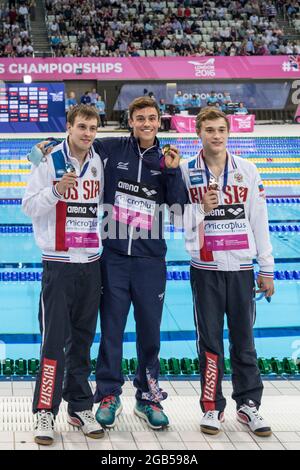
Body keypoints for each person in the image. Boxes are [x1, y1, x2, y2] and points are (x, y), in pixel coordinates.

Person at [26, 96, 188, 431]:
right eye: (140, 118)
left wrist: (172, 173)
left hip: (136, 259)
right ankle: (85, 400)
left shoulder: (164, 158)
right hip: (99, 259)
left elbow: (179, 212)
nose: (146, 124)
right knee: (94, 334)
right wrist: (44, 155)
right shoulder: (110, 150)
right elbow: (69, 149)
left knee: (127, 336)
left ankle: (132, 398)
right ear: (130, 121)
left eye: (152, 118)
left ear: (160, 121)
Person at [180, 107, 274, 437]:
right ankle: (211, 406)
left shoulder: (246, 170)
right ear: (198, 134)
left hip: (241, 269)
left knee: (244, 339)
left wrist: (268, 268)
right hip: (205, 269)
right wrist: (199, 209)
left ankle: (249, 405)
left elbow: (258, 220)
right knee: (210, 341)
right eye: (209, 130)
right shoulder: (185, 171)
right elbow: (178, 221)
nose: (216, 135)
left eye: (221, 129)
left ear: (229, 133)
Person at [22, 105, 105, 445]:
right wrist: (57, 191)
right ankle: (45, 410)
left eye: (93, 128)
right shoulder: (48, 160)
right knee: (54, 342)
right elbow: (28, 206)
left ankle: (80, 406)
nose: (87, 133)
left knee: (83, 340)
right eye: (82, 126)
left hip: (91, 264)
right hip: (58, 264)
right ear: (69, 127)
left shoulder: (99, 161)